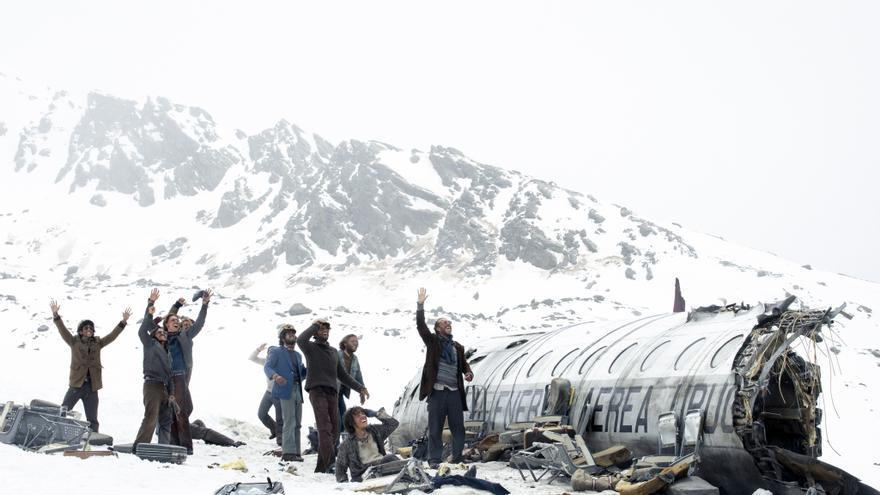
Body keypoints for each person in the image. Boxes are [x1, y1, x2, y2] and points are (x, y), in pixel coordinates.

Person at [297, 318, 369, 473]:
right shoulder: (310, 347)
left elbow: (342, 375)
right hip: (317, 391)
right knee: (325, 428)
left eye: (327, 329)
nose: (325, 330)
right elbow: (301, 339)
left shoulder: (332, 352)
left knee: (335, 430)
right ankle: (331, 463)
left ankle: (322, 466)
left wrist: (360, 388)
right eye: (322, 328)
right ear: (316, 332)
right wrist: (315, 324)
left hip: (332, 393)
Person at [49, 300, 131, 432]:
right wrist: (56, 315)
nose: (89, 330)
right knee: (63, 410)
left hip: (92, 387)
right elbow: (62, 330)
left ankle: (93, 439)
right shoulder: (74, 341)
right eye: (86, 328)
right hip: (77, 384)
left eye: (91, 328)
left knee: (92, 418)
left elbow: (112, 336)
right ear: (80, 331)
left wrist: (123, 322)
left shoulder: (98, 343)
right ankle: (53, 431)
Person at [415, 288, 473, 468]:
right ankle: (434, 460)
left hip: (454, 392)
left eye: (449, 322)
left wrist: (468, 372)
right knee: (435, 428)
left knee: (458, 428)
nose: (448, 324)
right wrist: (420, 306)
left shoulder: (457, 347)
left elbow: (463, 365)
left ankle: (457, 457)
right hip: (437, 392)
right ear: (438, 328)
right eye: (444, 323)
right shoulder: (433, 342)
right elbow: (421, 326)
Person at [161, 292, 211, 454]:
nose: (177, 322)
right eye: (174, 321)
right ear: (167, 325)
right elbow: (169, 317)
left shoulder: (185, 336)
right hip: (165, 379)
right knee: (172, 410)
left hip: (179, 377)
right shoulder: (162, 337)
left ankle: (186, 446)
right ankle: (175, 442)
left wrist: (204, 305)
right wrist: (176, 306)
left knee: (183, 410)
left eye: (178, 321)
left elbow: (200, 323)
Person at [134, 288, 176, 446]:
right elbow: (142, 329)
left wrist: (171, 393)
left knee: (166, 420)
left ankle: (164, 447)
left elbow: (170, 374)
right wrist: (150, 306)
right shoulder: (150, 344)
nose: (163, 334)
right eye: (159, 332)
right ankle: (139, 446)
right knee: (151, 418)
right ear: (153, 335)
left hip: (164, 387)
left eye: (164, 333)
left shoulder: (168, 352)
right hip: (151, 385)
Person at [264, 324, 308, 462]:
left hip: (297, 390)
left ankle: (296, 452)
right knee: (289, 421)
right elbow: (267, 367)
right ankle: (288, 453)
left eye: (293, 333)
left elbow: (301, 373)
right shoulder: (276, 352)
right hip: (284, 390)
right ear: (282, 337)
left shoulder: (298, 355)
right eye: (288, 333)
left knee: (298, 423)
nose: (292, 335)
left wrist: (310, 369)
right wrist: (276, 376)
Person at [336, 407, 400, 483]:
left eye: (363, 413)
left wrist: (377, 414)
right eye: (357, 415)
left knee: (392, 459)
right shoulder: (346, 444)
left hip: (382, 468)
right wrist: (345, 483)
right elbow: (340, 468)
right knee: (390, 458)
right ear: (351, 422)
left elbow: (393, 424)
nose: (362, 416)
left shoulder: (375, 431)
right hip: (363, 477)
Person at [249, 343, 283, 444]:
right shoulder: (266, 362)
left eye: (272, 353)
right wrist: (258, 349)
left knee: (280, 418)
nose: (270, 355)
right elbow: (252, 358)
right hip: (268, 392)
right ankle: (274, 430)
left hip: (279, 394)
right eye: (269, 353)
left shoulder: (281, 364)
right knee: (261, 414)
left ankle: (281, 438)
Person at [336, 334, 365, 435]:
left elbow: (358, 375)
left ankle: (341, 443)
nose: (355, 343)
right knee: (337, 419)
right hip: (332, 390)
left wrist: (362, 390)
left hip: (341, 392)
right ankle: (335, 445)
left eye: (356, 341)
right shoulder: (336, 355)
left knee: (344, 418)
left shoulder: (355, 359)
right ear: (344, 343)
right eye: (352, 341)